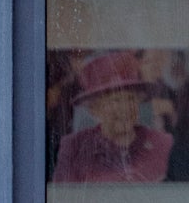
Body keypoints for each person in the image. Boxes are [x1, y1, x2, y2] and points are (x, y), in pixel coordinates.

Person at [53, 51, 173, 183]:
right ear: (94, 110)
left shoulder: (162, 144)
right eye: (115, 100)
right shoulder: (74, 148)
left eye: (131, 98)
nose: (125, 108)